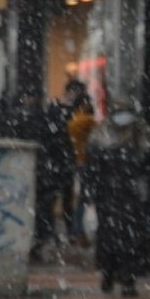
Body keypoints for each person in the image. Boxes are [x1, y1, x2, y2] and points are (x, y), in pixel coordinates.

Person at [85, 101, 150, 297]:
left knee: (130, 241)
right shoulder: (102, 137)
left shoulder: (142, 136)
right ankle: (111, 274)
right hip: (113, 198)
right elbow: (92, 170)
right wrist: (91, 195)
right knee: (114, 240)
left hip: (133, 199)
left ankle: (126, 277)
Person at [18, 89, 75, 262]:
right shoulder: (49, 123)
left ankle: (35, 242)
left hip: (37, 175)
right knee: (43, 211)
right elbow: (62, 149)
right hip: (45, 175)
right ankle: (38, 241)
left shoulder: (30, 122)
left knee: (37, 211)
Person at [66, 90, 97, 247]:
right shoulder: (86, 121)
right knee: (86, 199)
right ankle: (80, 232)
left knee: (80, 199)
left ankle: (76, 232)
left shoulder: (73, 120)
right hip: (86, 163)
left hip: (77, 162)